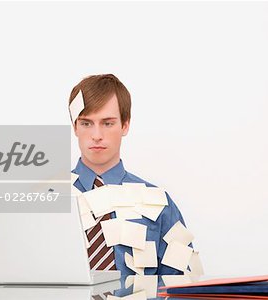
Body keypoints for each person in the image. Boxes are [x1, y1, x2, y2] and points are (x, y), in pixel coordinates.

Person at [69, 74, 190, 275]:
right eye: (86, 123)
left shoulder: (159, 203)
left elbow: (181, 284)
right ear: (75, 127)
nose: (97, 135)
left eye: (107, 123)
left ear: (125, 125)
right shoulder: (47, 197)